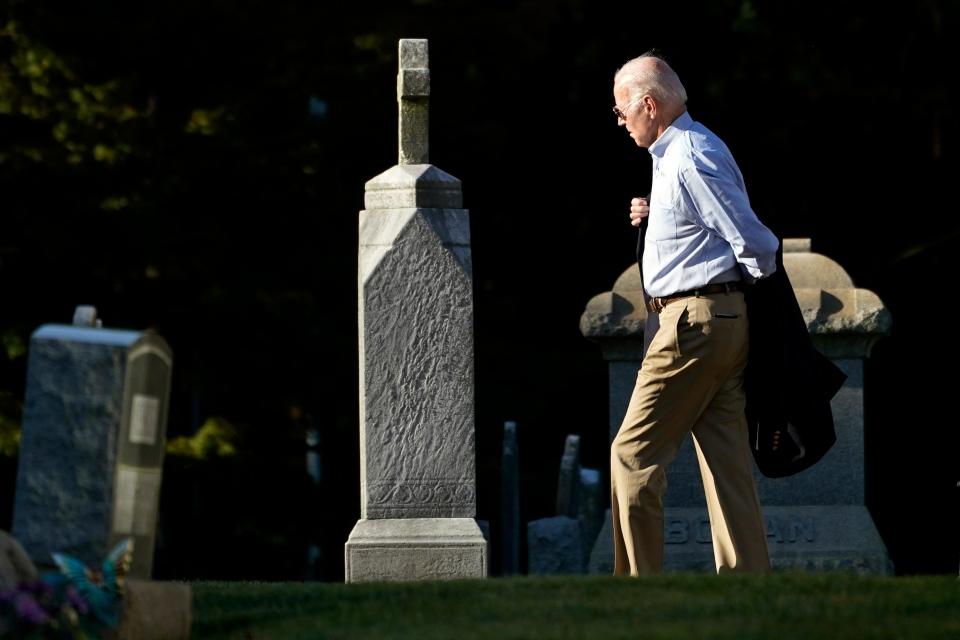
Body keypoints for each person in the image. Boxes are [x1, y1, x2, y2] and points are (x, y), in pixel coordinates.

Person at [609, 52, 780, 575]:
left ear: (648, 103)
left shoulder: (688, 155)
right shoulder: (679, 154)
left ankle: (636, 594)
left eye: (621, 109)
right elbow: (699, 226)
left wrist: (744, 290)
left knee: (631, 457)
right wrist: (654, 211)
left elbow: (753, 241)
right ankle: (748, 586)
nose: (618, 120)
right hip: (716, 322)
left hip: (694, 325)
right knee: (726, 463)